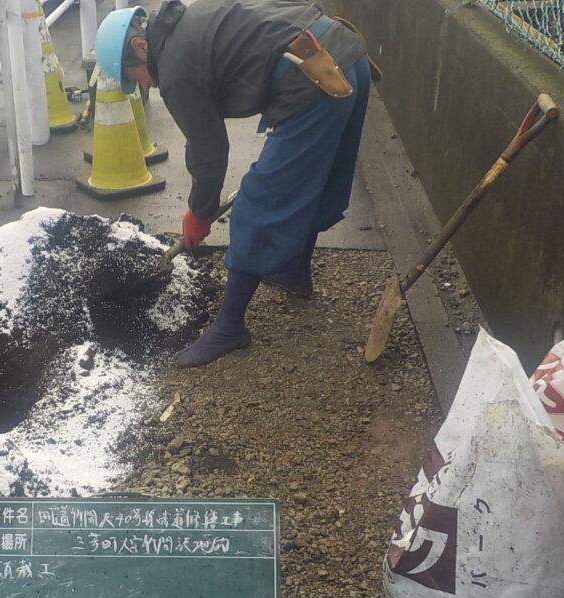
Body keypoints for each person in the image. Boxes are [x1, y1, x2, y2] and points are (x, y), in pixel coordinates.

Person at [95, 0, 373, 368]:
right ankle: (293, 272)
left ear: (140, 46)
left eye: (135, 76)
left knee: (260, 200)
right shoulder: (189, 20)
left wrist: (199, 212)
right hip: (346, 56)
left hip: (313, 81)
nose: (143, 85)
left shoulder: (175, 68)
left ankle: (229, 328)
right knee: (313, 178)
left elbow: (208, 151)